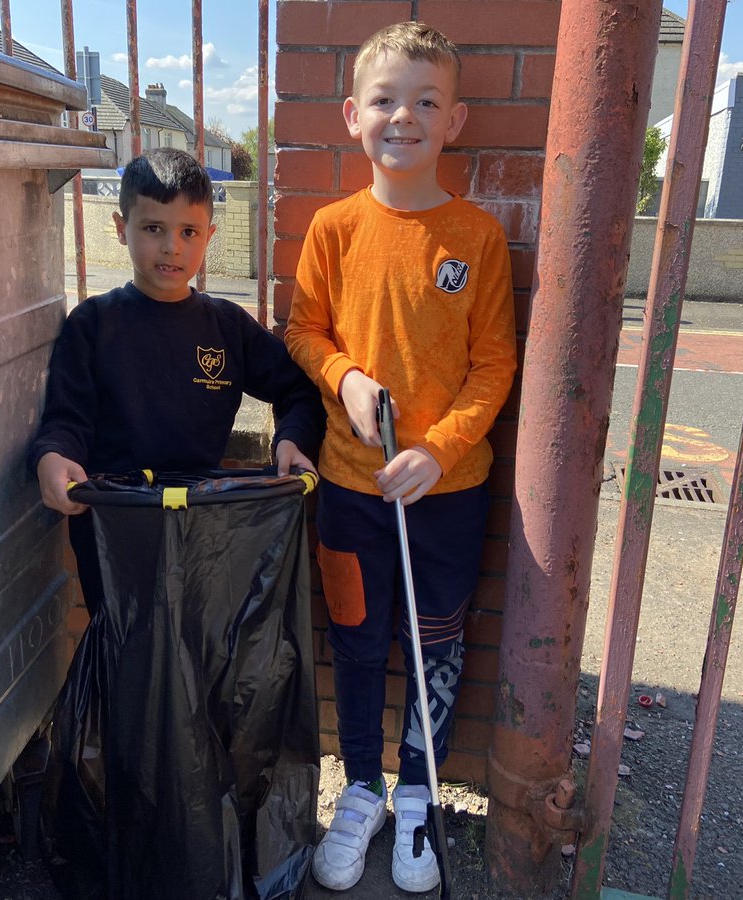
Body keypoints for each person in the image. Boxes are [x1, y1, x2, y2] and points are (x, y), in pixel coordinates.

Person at [284, 21, 517, 894]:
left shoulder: (478, 237)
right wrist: (341, 379)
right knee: (354, 639)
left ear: (454, 121)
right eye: (385, 100)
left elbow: (495, 362)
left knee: (435, 644)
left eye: (426, 102)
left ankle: (418, 793)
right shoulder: (334, 230)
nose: (404, 117)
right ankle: (362, 792)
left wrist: (439, 447)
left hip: (449, 494)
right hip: (348, 486)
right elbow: (304, 330)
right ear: (353, 115)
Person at [30, 146, 324, 613]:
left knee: (196, 665)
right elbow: (68, 418)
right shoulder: (93, 324)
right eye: (153, 229)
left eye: (188, 231)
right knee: (126, 662)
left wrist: (293, 439)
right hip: (114, 531)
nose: (172, 246)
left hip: (203, 535)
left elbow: (300, 387)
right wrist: (53, 456)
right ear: (121, 228)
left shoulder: (227, 327)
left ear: (209, 234)